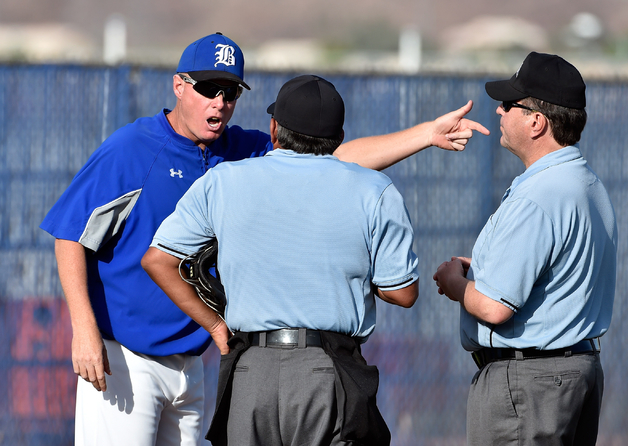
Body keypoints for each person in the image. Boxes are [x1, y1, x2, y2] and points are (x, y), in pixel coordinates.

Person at [40, 32, 488, 446]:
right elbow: (70, 234)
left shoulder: (237, 153)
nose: (219, 102)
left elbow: (328, 156)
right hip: (127, 358)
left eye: (230, 91)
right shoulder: (131, 149)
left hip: (194, 361)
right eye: (207, 87)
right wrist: (83, 330)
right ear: (178, 86)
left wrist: (426, 135)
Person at [141, 74, 419, 446]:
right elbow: (403, 293)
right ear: (337, 137)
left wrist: (215, 325)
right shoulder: (374, 189)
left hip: (249, 370)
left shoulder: (224, 180)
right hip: (327, 369)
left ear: (274, 129)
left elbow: (158, 260)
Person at [432, 52, 618, 446]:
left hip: (530, 385)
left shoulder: (540, 195)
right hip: (575, 372)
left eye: (509, 104)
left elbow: (495, 308)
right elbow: (556, 267)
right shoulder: (586, 183)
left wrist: (454, 283)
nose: (499, 111)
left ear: (536, 122)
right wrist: (482, 266)